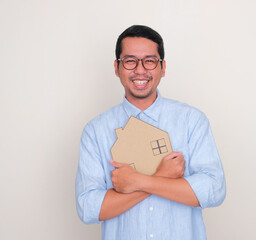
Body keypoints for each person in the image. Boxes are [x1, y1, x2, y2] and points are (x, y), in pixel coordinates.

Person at [75, 25, 226, 240]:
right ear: (117, 68)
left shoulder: (192, 121)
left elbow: (214, 190)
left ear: (162, 67)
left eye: (149, 61)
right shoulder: (95, 131)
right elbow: (88, 208)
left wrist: (137, 181)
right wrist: (163, 177)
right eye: (130, 61)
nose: (140, 70)